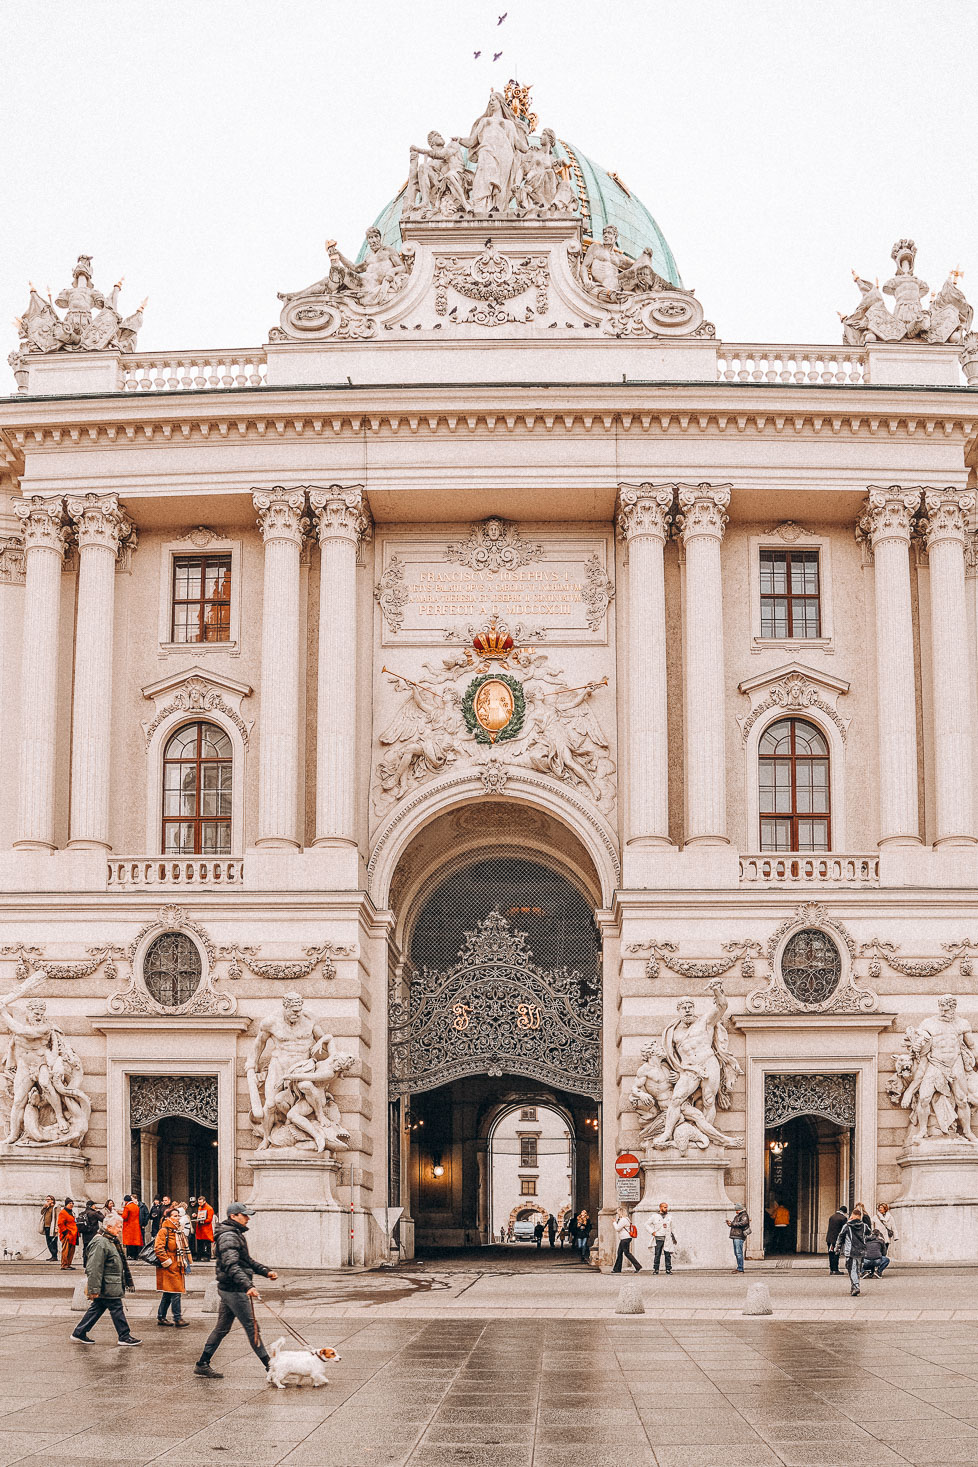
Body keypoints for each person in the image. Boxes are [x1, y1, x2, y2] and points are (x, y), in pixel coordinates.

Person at [194, 1203, 278, 1379]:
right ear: (233, 1216)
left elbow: (246, 1260)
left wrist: (265, 1271)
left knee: (222, 1328)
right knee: (252, 1327)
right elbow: (231, 1265)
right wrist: (248, 1286)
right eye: (244, 1215)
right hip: (234, 1290)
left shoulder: (234, 1234)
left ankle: (202, 1363)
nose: (248, 1218)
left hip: (229, 1288)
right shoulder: (229, 1236)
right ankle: (270, 1367)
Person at [70, 1212, 140, 1346]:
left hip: (109, 1283)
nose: (120, 1229)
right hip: (107, 1284)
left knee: (97, 1308)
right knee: (116, 1308)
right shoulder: (100, 1242)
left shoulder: (109, 1240)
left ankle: (79, 1332)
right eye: (118, 1226)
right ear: (108, 1227)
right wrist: (94, 1289)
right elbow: (94, 1268)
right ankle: (124, 1335)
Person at [155, 1202, 191, 1327]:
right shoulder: (164, 1231)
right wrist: (168, 1262)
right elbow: (158, 1248)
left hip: (178, 1264)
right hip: (170, 1266)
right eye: (174, 1216)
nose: (177, 1218)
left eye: (178, 1216)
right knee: (176, 1291)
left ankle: (161, 1317)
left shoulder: (178, 1231)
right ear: (168, 1218)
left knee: (169, 1292)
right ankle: (177, 1318)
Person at [836, 1208, 871, 1297]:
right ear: (859, 1217)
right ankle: (854, 1286)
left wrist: (837, 1248)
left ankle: (856, 1286)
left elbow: (840, 1237)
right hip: (861, 1251)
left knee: (851, 1269)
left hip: (850, 1251)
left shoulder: (847, 1226)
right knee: (857, 1270)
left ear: (853, 1216)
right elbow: (870, 1235)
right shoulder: (865, 1226)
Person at [646, 1202, 678, 1275]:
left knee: (667, 1254)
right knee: (657, 1254)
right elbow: (646, 1224)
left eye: (666, 1207)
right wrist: (652, 1232)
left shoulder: (670, 1216)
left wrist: (675, 1237)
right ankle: (656, 1269)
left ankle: (668, 1269)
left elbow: (673, 1228)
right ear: (660, 1207)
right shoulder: (654, 1216)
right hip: (659, 1237)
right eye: (664, 1207)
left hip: (667, 1237)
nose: (666, 1208)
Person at [612, 1208, 642, 1273]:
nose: (617, 1214)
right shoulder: (627, 1219)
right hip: (626, 1238)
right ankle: (617, 1269)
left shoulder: (623, 1220)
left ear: (620, 1213)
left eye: (618, 1213)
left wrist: (614, 1222)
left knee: (626, 1253)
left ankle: (638, 1266)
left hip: (625, 1238)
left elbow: (617, 1229)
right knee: (620, 1253)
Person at [725, 1206, 750, 1273]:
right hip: (736, 1235)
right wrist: (730, 1224)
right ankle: (739, 1267)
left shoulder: (744, 1215)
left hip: (739, 1236)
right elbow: (736, 1224)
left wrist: (732, 1223)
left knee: (738, 1252)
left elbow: (743, 1223)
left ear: (739, 1210)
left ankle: (740, 1268)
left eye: (736, 1210)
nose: (735, 1211)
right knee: (737, 1252)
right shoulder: (738, 1216)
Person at [77, 1200, 103, 1265]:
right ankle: (91, 1263)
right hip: (93, 1233)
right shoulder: (94, 1213)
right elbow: (103, 1218)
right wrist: (99, 1212)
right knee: (93, 1248)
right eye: (94, 1205)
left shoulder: (82, 1213)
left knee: (85, 1247)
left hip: (85, 1233)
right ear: (92, 1206)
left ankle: (85, 1262)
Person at [825, 1204, 848, 1275]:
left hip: (829, 1239)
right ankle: (835, 1269)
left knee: (831, 1254)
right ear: (844, 1212)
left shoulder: (832, 1217)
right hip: (837, 1240)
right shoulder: (843, 1218)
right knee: (836, 1254)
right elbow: (844, 1230)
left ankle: (832, 1269)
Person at [57, 1198, 78, 1270]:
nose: (71, 1204)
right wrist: (65, 1232)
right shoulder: (63, 1212)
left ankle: (68, 1264)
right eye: (70, 1203)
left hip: (73, 1234)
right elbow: (60, 1223)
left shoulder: (71, 1212)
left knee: (71, 1250)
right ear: (66, 1204)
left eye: (72, 1203)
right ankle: (64, 1264)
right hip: (67, 1234)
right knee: (65, 1250)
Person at [195, 1196, 215, 1261]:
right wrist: (196, 1216)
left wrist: (201, 1220)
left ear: (204, 1201)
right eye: (198, 1202)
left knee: (207, 1243)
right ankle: (199, 1257)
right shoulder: (200, 1207)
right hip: (200, 1228)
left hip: (206, 1229)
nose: (199, 1204)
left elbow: (209, 1219)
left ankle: (207, 1257)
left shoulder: (209, 1208)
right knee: (199, 1244)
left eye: (200, 1202)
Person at [39, 1196, 58, 1260]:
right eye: (46, 1199)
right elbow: (42, 1213)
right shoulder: (47, 1207)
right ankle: (52, 1255)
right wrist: (44, 1207)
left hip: (52, 1226)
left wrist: (56, 1227)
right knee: (48, 1241)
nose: (47, 1201)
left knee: (53, 1241)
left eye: (48, 1199)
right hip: (46, 1226)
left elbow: (58, 1217)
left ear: (52, 1200)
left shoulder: (56, 1207)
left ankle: (55, 1255)